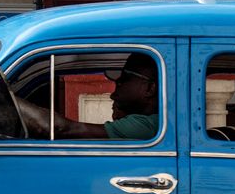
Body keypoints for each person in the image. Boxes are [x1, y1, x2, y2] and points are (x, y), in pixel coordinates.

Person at [14, 52, 160, 141]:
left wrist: (5, 98)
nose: (113, 94)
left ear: (149, 88)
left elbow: (60, 128)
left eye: (124, 79)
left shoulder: (146, 126)